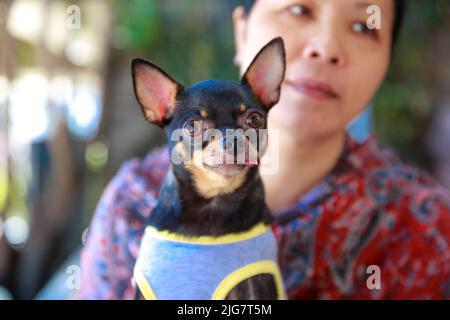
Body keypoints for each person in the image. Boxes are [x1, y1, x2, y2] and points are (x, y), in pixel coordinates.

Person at [79, 0, 450, 299]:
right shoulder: (130, 203)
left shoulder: (423, 228)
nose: (326, 48)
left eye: (362, 25)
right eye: (300, 9)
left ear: (387, 60)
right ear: (241, 31)